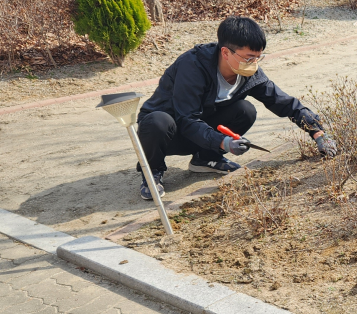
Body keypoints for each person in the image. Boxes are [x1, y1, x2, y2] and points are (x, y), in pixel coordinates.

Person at [135, 16, 335, 200]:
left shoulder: (249, 72)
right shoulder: (193, 66)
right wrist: (223, 142)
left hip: (201, 130)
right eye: (248, 58)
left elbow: (281, 101)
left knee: (245, 110)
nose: (253, 63)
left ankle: (205, 159)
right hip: (169, 134)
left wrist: (317, 132)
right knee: (157, 121)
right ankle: (152, 171)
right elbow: (186, 119)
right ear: (225, 52)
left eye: (258, 57)